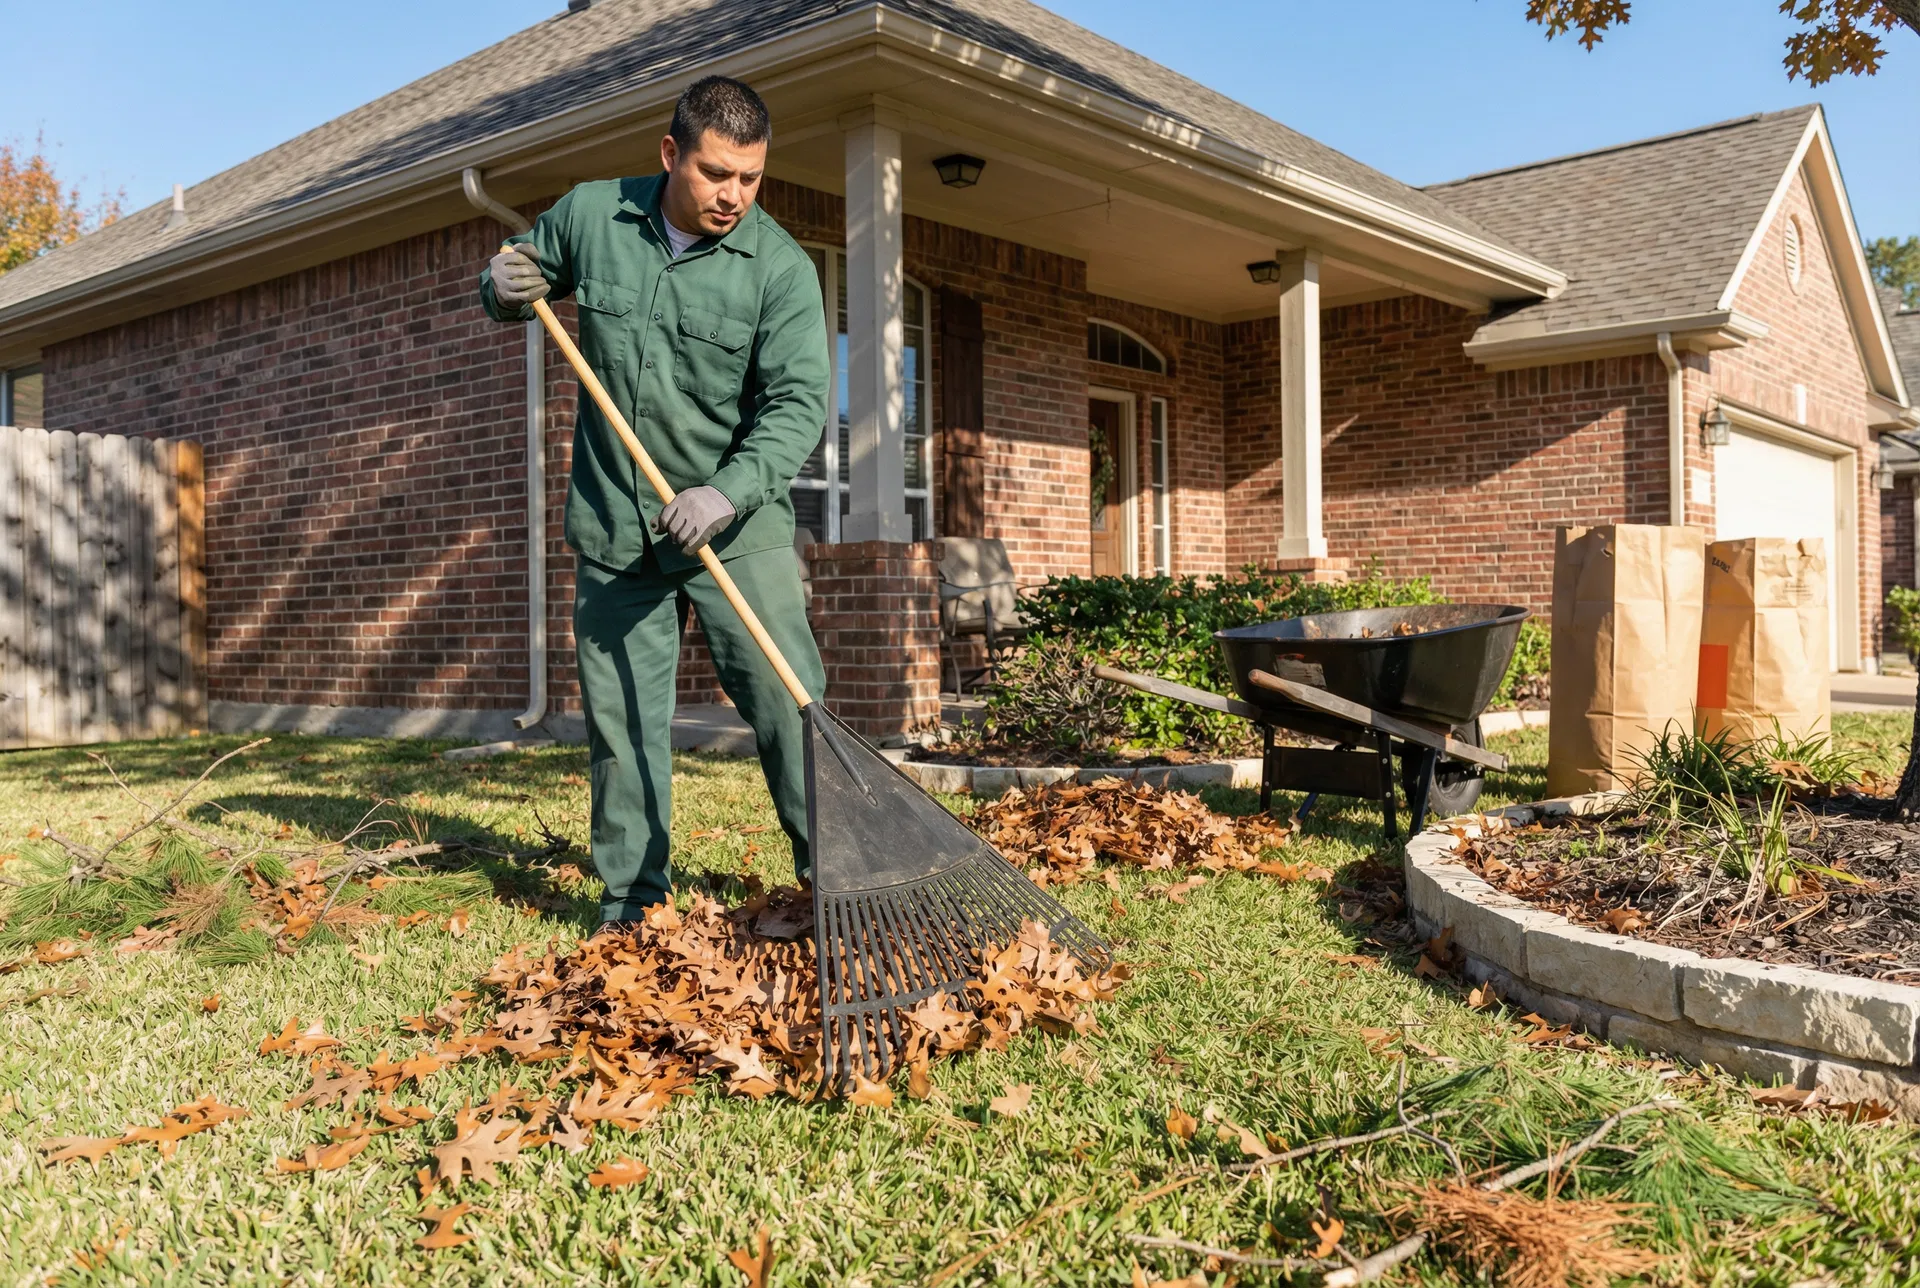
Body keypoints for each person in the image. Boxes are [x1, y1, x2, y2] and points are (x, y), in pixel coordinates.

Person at [480, 76, 829, 932]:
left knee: (790, 705)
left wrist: (726, 492)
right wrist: (502, 282)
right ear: (671, 154)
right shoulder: (593, 217)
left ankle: (839, 876)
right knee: (625, 719)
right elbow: (516, 278)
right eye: (716, 173)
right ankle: (634, 900)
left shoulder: (778, 267)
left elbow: (797, 406)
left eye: (750, 178)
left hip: (736, 527)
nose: (733, 196)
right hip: (616, 526)